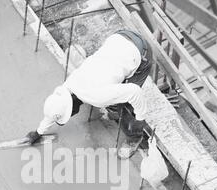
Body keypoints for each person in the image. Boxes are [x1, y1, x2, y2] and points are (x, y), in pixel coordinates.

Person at [26, 29, 153, 159]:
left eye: (67, 115)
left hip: (141, 52)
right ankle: (116, 103)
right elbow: (55, 109)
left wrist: (139, 118)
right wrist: (38, 132)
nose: (69, 116)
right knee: (113, 93)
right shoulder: (69, 85)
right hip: (120, 37)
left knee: (124, 106)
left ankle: (134, 138)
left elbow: (134, 92)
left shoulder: (97, 97)